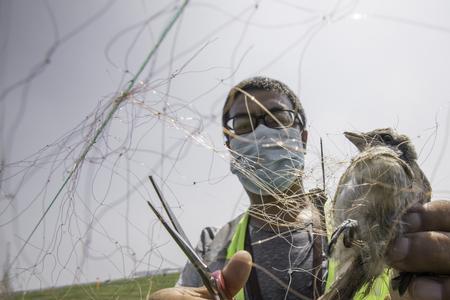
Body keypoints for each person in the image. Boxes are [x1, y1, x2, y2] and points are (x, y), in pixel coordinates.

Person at [149, 77, 450, 300]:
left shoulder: (368, 221)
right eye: (243, 124)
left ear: (302, 140)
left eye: (278, 118)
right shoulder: (210, 247)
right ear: (230, 145)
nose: (262, 132)